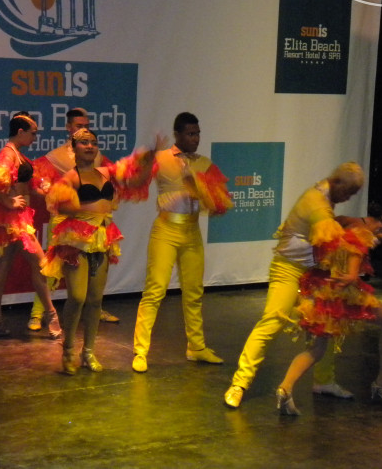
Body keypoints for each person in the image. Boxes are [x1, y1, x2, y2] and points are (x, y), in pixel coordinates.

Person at [223, 162, 365, 408]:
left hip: (312, 271)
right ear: (337, 182)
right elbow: (335, 239)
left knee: (325, 323)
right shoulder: (316, 202)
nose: (347, 198)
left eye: (353, 195)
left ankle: (324, 381)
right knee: (273, 320)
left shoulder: (325, 195)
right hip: (288, 269)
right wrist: (365, 233)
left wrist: (362, 224)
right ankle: (239, 383)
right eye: (347, 192)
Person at [42, 128, 158, 374]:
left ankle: (88, 352)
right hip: (76, 241)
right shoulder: (71, 178)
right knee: (77, 297)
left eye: (93, 142)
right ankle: (68, 349)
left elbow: (136, 181)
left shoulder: (106, 172)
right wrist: (77, 207)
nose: (90, 146)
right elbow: (59, 205)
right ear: (73, 148)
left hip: (103, 238)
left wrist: (148, 158)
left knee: (95, 300)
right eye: (84, 142)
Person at [275, 210, 382, 415]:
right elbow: (351, 271)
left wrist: (377, 240)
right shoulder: (360, 235)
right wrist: (350, 275)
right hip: (342, 295)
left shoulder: (344, 222)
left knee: (316, 349)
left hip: (317, 290)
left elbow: (338, 246)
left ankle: (285, 388)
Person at [132, 112, 233, 373]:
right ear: (177, 134)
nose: (195, 139)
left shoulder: (204, 163)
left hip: (191, 231)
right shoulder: (162, 158)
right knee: (155, 290)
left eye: (197, 133)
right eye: (190, 134)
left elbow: (219, 203)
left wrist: (204, 191)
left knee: (194, 291)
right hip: (165, 229)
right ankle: (140, 351)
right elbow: (137, 181)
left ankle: (196, 347)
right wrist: (148, 156)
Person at [0, 111, 62, 339]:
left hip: (15, 218)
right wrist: (8, 201)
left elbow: (25, 185)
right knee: (41, 264)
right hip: (14, 219)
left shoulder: (17, 154)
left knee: (3, 264)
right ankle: (51, 315)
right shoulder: (8, 154)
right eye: (33, 133)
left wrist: (45, 191)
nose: (35, 137)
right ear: (20, 132)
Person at [29, 108, 120, 332]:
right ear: (68, 128)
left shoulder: (95, 154)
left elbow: (111, 177)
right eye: (79, 126)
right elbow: (38, 181)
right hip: (64, 221)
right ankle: (38, 313)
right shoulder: (56, 157)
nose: (84, 130)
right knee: (52, 266)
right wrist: (51, 192)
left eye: (87, 126)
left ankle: (95, 308)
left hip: (93, 222)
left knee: (95, 268)